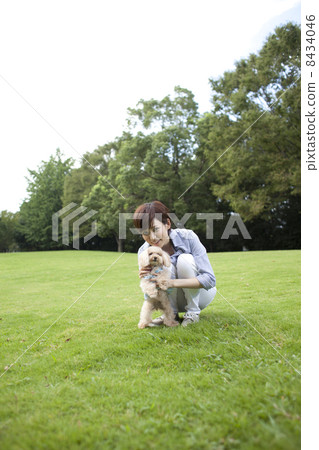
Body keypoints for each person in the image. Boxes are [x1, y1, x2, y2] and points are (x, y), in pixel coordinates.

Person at [133, 201, 217, 327]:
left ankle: (193, 313)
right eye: (145, 232)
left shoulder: (188, 237)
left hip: (200, 296)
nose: (152, 237)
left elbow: (210, 280)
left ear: (167, 223)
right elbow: (150, 293)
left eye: (155, 229)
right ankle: (170, 315)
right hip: (170, 300)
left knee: (184, 259)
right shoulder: (144, 252)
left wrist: (171, 283)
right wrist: (147, 280)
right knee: (166, 267)